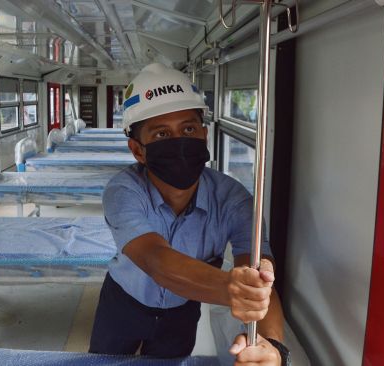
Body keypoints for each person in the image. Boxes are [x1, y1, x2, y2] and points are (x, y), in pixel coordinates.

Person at [88, 63, 290, 365]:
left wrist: (274, 348)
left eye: (188, 129)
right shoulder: (123, 191)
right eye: (161, 134)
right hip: (123, 302)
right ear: (138, 150)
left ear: (204, 134)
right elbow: (155, 259)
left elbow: (258, 279)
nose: (179, 142)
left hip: (182, 311)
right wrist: (227, 288)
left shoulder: (233, 200)